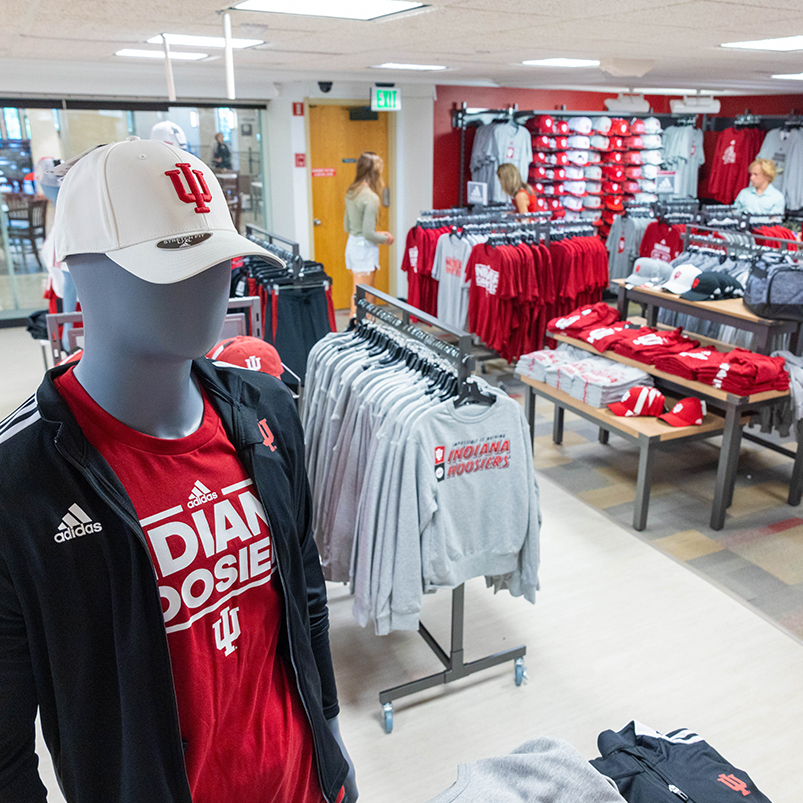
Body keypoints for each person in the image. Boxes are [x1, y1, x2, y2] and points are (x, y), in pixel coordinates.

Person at [0, 138, 357, 803]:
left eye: (219, 255)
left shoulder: (267, 406)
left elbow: (302, 583)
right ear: (79, 267)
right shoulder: (19, 484)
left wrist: (330, 732)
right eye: (171, 259)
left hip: (300, 782)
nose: (210, 280)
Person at [343, 151, 394, 316]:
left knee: (365, 297)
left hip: (353, 246)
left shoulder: (351, 192)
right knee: (362, 299)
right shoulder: (370, 197)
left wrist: (377, 233)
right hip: (364, 250)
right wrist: (385, 238)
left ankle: (364, 334)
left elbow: (348, 226)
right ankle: (355, 334)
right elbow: (368, 234)